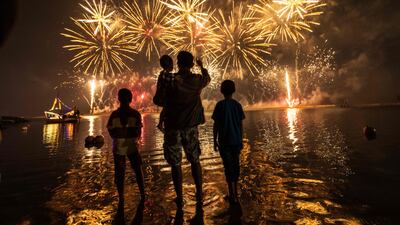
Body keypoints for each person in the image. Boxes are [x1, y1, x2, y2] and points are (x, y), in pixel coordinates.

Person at [162, 51, 210, 210]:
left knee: (175, 164)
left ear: (177, 63)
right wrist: (202, 66)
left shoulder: (171, 80)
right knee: (195, 160)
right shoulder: (197, 80)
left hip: (172, 127)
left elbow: (159, 99)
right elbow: (207, 79)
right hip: (190, 127)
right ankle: (199, 193)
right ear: (191, 64)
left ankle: (180, 197)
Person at [107, 88, 145, 213]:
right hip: (132, 147)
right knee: (138, 170)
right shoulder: (135, 114)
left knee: (119, 172)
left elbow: (110, 129)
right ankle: (143, 194)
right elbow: (138, 132)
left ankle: (121, 197)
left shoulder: (114, 114)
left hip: (118, 146)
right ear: (130, 99)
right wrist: (134, 137)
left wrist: (117, 137)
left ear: (118, 99)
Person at [212, 80, 245, 206]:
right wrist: (241, 140)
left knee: (228, 167)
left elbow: (216, 125)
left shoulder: (219, 105)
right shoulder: (237, 105)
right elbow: (241, 125)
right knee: (236, 167)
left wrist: (214, 140)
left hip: (224, 142)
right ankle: (235, 194)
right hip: (236, 142)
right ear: (234, 90)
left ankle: (231, 193)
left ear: (221, 91)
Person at [153, 55, 174, 132]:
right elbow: (171, 81)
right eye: (172, 64)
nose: (173, 66)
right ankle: (160, 123)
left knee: (165, 109)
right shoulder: (166, 74)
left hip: (162, 96)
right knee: (166, 108)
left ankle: (160, 123)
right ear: (168, 65)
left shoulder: (162, 73)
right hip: (163, 97)